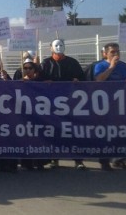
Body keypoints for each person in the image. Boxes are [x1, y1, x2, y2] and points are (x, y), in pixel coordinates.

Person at [40, 39, 87, 170]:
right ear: (51, 48)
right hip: (52, 103)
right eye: (56, 45)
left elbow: (82, 78)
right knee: (54, 130)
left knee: (72, 131)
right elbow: (38, 80)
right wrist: (45, 81)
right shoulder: (46, 63)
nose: (59, 47)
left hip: (71, 102)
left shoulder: (73, 62)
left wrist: (78, 80)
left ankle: (78, 160)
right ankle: (55, 159)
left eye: (61, 45)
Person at [94, 43, 126, 171]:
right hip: (106, 106)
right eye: (112, 52)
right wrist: (111, 67)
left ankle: (119, 160)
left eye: (117, 51)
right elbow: (99, 80)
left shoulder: (123, 66)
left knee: (124, 132)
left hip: (122, 105)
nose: (116, 54)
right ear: (105, 54)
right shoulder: (100, 65)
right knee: (106, 133)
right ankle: (104, 161)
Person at [16, 59, 49, 171]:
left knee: (38, 137)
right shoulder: (19, 82)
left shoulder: (39, 81)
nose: (28, 70)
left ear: (34, 69)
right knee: (26, 138)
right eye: (25, 68)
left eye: (30, 68)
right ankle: (27, 162)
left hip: (38, 114)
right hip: (25, 115)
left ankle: (39, 162)